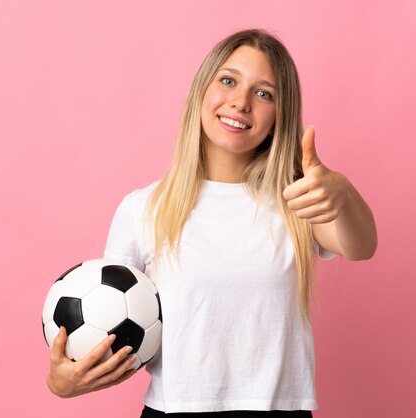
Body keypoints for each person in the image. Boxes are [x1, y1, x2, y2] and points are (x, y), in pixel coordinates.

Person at [46, 29, 377, 417]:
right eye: (228, 80)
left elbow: (361, 246)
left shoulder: (296, 199)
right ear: (202, 90)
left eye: (264, 93)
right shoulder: (143, 209)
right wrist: (61, 382)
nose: (240, 102)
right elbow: (112, 325)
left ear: (279, 116)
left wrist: (343, 192)